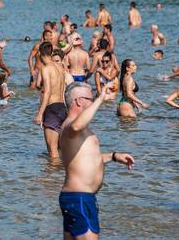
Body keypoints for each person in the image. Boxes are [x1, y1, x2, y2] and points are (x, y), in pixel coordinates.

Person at [59, 82, 135, 239]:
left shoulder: (82, 129)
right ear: (79, 101)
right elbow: (76, 126)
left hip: (80, 197)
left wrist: (114, 156)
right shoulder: (70, 126)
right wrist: (100, 99)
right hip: (78, 197)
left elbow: (88, 159)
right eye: (90, 98)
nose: (93, 101)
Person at [34, 42, 67, 158]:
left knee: (52, 149)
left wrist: (40, 114)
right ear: (51, 52)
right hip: (62, 107)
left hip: (52, 108)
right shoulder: (60, 67)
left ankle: (52, 175)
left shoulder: (45, 69)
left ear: (40, 53)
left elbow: (47, 92)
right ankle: (59, 173)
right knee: (59, 148)